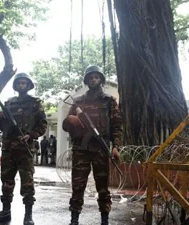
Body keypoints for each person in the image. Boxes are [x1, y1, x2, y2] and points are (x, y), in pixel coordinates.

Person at [62, 65, 123, 225]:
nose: (93, 79)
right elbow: (66, 125)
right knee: (78, 185)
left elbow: (117, 125)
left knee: (102, 186)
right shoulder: (78, 101)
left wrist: (115, 147)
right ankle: (74, 219)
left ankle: (104, 219)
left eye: (96, 77)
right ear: (87, 80)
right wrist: (71, 121)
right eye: (91, 77)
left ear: (101, 80)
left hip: (100, 149)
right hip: (81, 149)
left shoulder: (109, 101)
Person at [0, 73, 47, 225]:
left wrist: (31, 135)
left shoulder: (35, 103)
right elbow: (3, 128)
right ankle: (5, 211)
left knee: (27, 181)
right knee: (6, 180)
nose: (21, 85)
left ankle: (28, 215)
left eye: (24, 83)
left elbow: (42, 124)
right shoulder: (9, 103)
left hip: (25, 148)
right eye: (19, 83)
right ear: (16, 86)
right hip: (8, 148)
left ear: (28, 86)